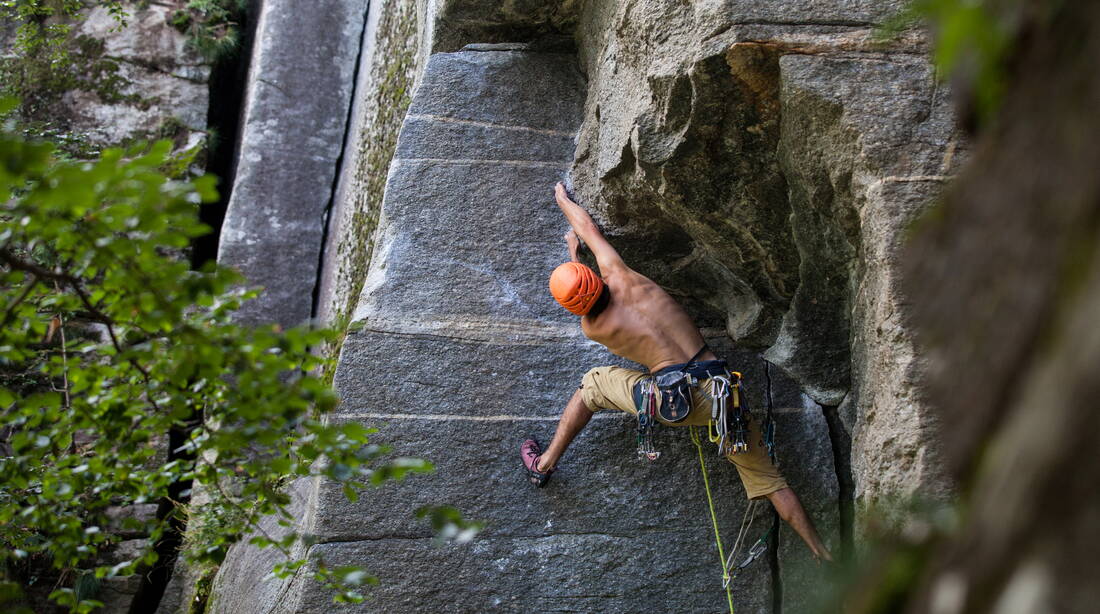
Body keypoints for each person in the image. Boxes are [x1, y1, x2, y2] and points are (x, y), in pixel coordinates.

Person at [521, 182, 832, 562]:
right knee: (771, 482)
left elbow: (593, 305)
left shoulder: (593, 328)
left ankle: (545, 464)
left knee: (592, 385)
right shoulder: (621, 275)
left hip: (676, 402)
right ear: (596, 276)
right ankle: (824, 555)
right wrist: (562, 201)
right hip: (724, 392)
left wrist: (572, 256)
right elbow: (589, 230)